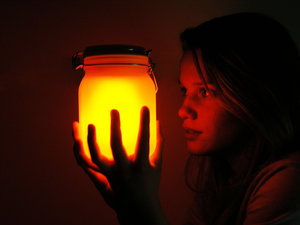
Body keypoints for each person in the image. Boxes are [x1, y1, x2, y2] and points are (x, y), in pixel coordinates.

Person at [72, 12, 300, 225]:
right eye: (184, 91)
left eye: (205, 92)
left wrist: (143, 206)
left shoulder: (289, 180)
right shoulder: (220, 182)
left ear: (257, 94)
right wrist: (128, 207)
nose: (183, 111)